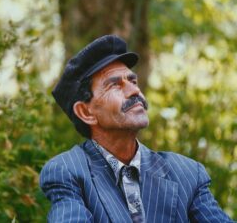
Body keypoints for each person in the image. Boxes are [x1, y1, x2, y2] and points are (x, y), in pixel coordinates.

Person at [39, 35, 233, 222]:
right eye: (115, 85)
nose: (134, 90)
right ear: (86, 112)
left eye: (132, 81)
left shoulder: (187, 173)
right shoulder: (67, 171)